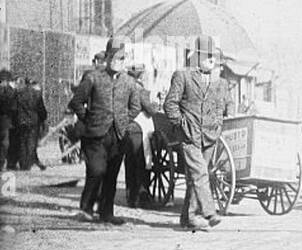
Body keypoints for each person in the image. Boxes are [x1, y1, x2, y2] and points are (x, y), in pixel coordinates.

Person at [69, 36, 142, 226]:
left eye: (121, 58)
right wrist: (89, 118)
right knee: (96, 170)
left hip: (118, 136)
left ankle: (106, 213)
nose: (117, 62)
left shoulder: (129, 82)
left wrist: (123, 121)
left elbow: (135, 107)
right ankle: (85, 209)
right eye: (114, 57)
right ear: (107, 57)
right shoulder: (93, 77)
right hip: (95, 135)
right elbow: (76, 102)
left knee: (111, 174)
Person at [163, 35, 233, 231]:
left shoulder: (220, 82)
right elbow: (170, 104)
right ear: (197, 56)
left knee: (195, 177)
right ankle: (208, 213)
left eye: (214, 56)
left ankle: (188, 217)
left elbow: (225, 106)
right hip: (189, 135)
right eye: (208, 56)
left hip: (210, 137)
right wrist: (182, 124)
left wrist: (218, 123)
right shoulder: (182, 76)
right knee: (201, 173)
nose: (212, 60)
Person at [122, 60, 158, 206]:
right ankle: (142, 194)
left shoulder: (123, 87)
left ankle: (131, 195)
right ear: (140, 75)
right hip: (139, 127)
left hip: (127, 127)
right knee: (141, 160)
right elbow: (151, 110)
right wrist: (156, 103)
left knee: (129, 161)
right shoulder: (139, 89)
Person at [12, 75, 49, 171]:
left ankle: (23, 164)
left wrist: (17, 119)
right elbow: (41, 109)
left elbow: (14, 108)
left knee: (22, 143)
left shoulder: (18, 93)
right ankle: (28, 163)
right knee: (31, 143)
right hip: (33, 122)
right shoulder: (36, 94)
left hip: (21, 121)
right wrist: (43, 118)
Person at [0, 69, 17, 171]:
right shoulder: (10, 92)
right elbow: (13, 107)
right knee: (4, 144)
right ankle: (0, 164)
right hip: (5, 120)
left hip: (2, 120)